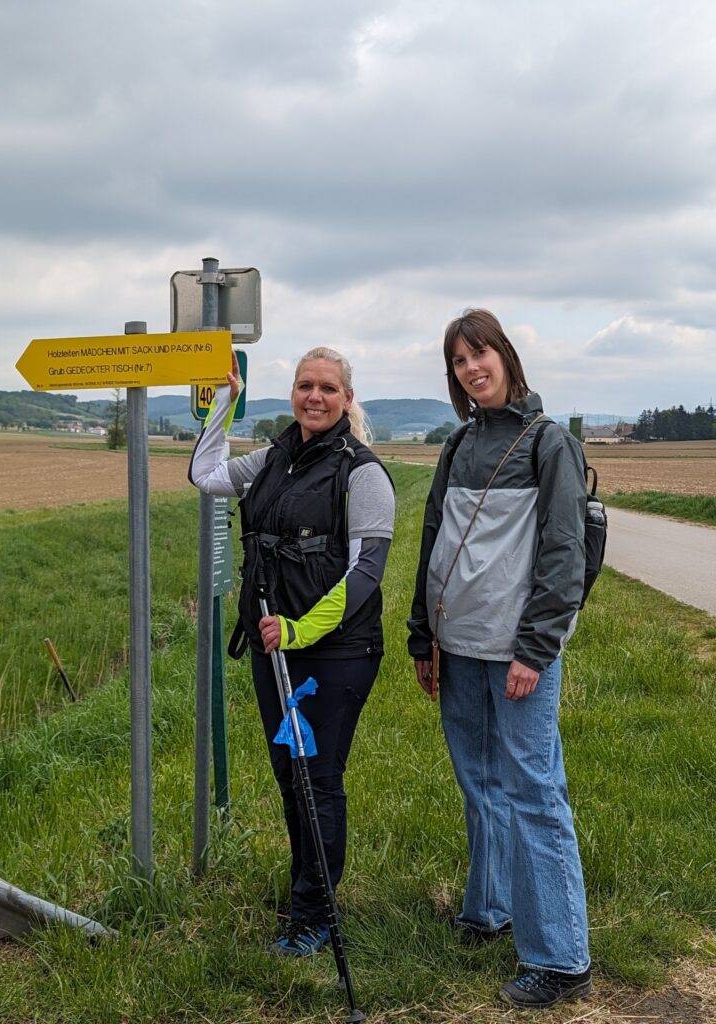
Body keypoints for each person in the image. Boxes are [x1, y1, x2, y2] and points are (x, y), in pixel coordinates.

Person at [408, 309, 591, 1010]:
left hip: (517, 655)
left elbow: (562, 556)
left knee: (534, 796)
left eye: (479, 353)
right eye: (458, 361)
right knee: (481, 786)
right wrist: (423, 636)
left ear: (506, 356)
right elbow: (432, 540)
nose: (471, 368)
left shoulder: (550, 445)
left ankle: (561, 958)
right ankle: (488, 911)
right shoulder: (458, 447)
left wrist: (536, 650)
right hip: (458, 650)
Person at [190, 347, 394, 956]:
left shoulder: (363, 473)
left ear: (346, 399)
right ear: (292, 394)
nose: (315, 397)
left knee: (318, 778)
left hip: (335, 654)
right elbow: (206, 475)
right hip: (272, 649)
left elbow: (366, 574)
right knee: (290, 774)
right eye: (305, 385)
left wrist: (301, 630)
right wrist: (225, 402)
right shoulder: (275, 457)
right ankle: (306, 892)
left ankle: (315, 918)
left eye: (328, 388)